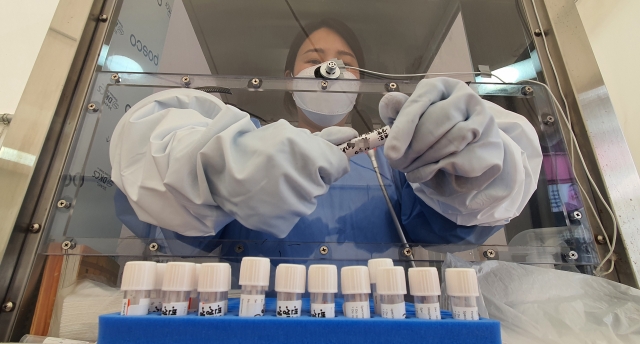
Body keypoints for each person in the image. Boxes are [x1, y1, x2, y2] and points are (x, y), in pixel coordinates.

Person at [110, 18, 542, 262]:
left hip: (379, 322)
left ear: (361, 80)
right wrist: (217, 170)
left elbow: (460, 221)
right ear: (288, 77)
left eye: (344, 63)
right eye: (313, 61)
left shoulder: (393, 165)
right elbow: (153, 196)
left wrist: (468, 164)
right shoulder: (248, 146)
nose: (328, 72)